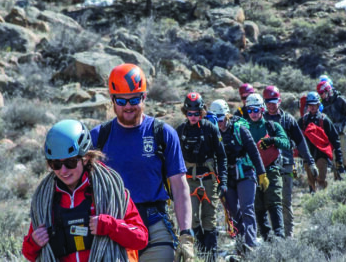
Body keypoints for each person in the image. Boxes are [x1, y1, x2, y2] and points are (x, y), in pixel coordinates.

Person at [90, 64, 194, 262]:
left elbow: (180, 188)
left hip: (154, 224)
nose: (128, 106)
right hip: (114, 226)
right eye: (121, 100)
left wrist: (186, 235)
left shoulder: (162, 134)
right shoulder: (98, 138)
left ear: (144, 97)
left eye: (134, 99)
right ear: (112, 99)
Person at [22, 119, 148, 262]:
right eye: (56, 164)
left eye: (70, 162)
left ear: (86, 158)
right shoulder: (46, 201)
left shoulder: (111, 193)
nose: (63, 171)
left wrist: (110, 226)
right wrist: (34, 243)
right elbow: (29, 254)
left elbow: (141, 238)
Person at [209, 99, 267, 254]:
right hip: (227, 177)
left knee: (247, 208)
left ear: (226, 116)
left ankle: (251, 244)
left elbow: (254, 152)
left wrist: (262, 173)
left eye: (221, 119)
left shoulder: (240, 129)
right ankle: (242, 245)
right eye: (216, 120)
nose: (219, 123)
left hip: (245, 173)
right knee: (234, 212)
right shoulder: (212, 133)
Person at [176, 92, 227, 262]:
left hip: (209, 180)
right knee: (192, 220)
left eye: (196, 113)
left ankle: (210, 257)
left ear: (202, 112)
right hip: (189, 181)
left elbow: (222, 156)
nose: (193, 117)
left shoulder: (210, 129)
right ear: (185, 113)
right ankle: (197, 255)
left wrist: (223, 181)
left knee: (209, 219)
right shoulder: (180, 131)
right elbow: (172, 158)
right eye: (189, 113)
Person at [262, 86, 318, 237]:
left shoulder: (288, 120)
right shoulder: (260, 120)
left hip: (288, 165)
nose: (271, 105)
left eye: (274, 102)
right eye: (268, 102)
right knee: (270, 202)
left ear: (279, 101)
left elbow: (301, 142)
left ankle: (289, 235)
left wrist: (310, 162)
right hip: (267, 167)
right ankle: (274, 235)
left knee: (286, 200)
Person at [244, 93, 289, 241]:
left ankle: (279, 237)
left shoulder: (272, 126)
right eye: (250, 110)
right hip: (252, 174)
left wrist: (272, 141)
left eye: (256, 110)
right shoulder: (243, 128)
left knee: (274, 203)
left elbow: (286, 143)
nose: (253, 114)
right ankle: (266, 238)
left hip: (272, 171)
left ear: (262, 109)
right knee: (258, 207)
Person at [297, 92, 343, 190]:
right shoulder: (303, 120)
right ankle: (312, 195)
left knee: (321, 179)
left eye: (315, 104)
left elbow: (335, 139)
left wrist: (339, 158)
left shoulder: (324, 120)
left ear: (318, 104)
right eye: (310, 105)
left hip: (322, 154)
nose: (313, 107)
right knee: (311, 180)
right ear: (307, 105)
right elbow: (295, 135)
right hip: (308, 154)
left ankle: (322, 199)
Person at [318, 80, 346, 174]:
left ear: (327, 91)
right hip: (331, 133)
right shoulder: (322, 104)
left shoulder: (340, 100)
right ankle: (339, 175)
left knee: (345, 155)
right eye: (319, 94)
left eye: (321, 93)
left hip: (343, 131)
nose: (320, 95)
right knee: (335, 156)